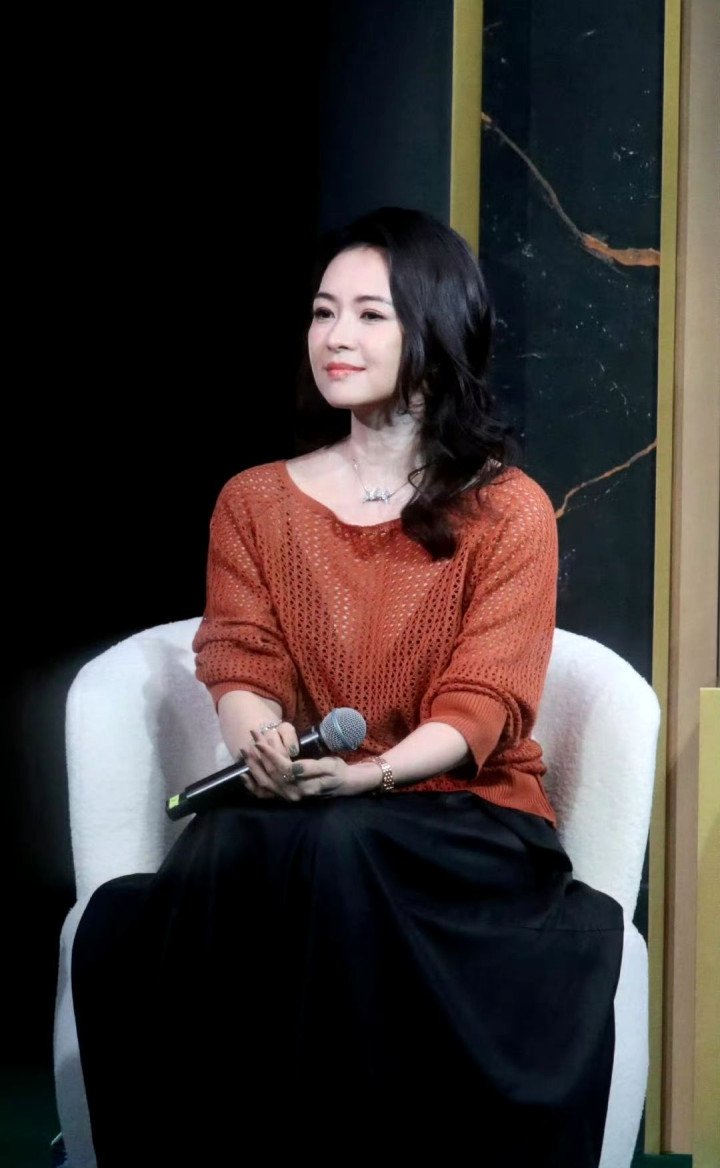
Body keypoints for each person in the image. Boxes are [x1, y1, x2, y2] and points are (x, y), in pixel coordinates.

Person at [71, 207, 623, 1168]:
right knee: (224, 853)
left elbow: (482, 705)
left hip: (463, 816)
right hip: (310, 805)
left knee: (340, 846)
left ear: (435, 330)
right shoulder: (254, 501)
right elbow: (241, 661)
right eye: (325, 312)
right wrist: (256, 738)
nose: (336, 337)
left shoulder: (509, 509)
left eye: (371, 315)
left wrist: (372, 777)